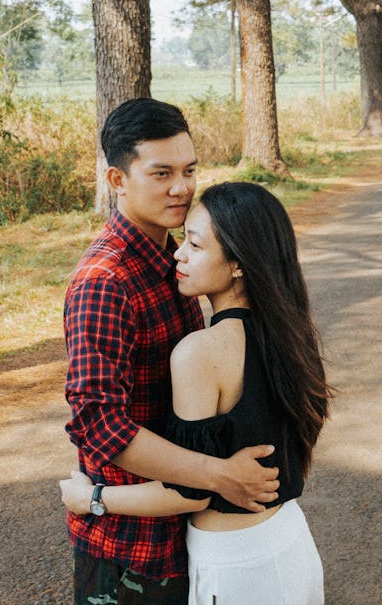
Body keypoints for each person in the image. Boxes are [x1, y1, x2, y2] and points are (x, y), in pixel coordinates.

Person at [62, 180, 331, 605]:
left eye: (194, 244)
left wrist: (91, 498)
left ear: (238, 264)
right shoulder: (289, 332)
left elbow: (189, 492)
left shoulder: (199, 353)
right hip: (289, 543)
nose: (177, 254)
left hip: (236, 569)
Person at [64, 99, 279, 605]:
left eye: (188, 170)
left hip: (187, 532)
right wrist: (219, 475)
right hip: (130, 550)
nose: (181, 188)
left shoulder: (178, 259)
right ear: (117, 180)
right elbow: (99, 425)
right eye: (161, 173)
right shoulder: (104, 282)